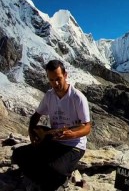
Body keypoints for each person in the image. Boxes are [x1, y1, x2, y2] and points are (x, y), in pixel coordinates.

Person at [12, 59, 91, 191]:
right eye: (51, 80)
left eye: (58, 79)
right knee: (18, 155)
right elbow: (36, 116)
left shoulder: (78, 97)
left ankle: (56, 177)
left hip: (74, 145)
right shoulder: (49, 96)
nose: (55, 83)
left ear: (65, 75)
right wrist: (31, 131)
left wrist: (73, 134)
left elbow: (87, 127)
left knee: (54, 170)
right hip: (54, 140)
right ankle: (47, 178)